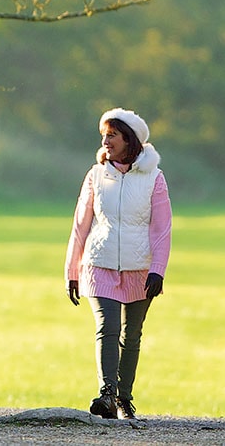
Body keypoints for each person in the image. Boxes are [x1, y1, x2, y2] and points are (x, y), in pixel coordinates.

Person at [65, 108, 172, 420]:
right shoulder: (96, 175)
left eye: (112, 134)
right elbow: (80, 225)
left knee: (132, 335)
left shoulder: (154, 178)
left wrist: (158, 269)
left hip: (141, 267)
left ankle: (124, 398)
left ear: (130, 139)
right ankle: (106, 393)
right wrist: (72, 270)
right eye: (104, 135)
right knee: (107, 327)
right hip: (100, 263)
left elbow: (162, 228)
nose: (105, 140)